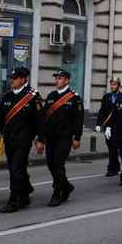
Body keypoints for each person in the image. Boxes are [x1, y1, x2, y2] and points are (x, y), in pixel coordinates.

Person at [0, 67, 42, 213]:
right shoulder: (7, 96)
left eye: (15, 78)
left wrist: (40, 138)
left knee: (16, 170)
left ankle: (14, 199)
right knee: (16, 169)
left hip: (23, 139)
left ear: (23, 79)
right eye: (11, 77)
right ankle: (25, 194)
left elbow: (39, 120)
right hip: (9, 139)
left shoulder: (33, 96)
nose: (11, 80)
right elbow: (0, 118)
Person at [39, 69, 83, 206]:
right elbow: (44, 117)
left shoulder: (74, 98)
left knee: (58, 165)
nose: (56, 80)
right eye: (56, 78)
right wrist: (40, 136)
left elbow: (78, 120)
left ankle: (56, 194)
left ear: (66, 80)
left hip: (64, 138)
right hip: (51, 137)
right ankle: (67, 186)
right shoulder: (51, 96)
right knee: (51, 165)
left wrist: (77, 137)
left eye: (59, 78)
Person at [96, 76, 122, 177]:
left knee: (113, 147)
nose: (112, 86)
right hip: (107, 125)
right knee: (110, 146)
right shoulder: (106, 97)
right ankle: (116, 164)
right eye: (111, 84)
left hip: (117, 126)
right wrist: (98, 124)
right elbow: (102, 111)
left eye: (114, 84)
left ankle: (111, 168)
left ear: (118, 85)